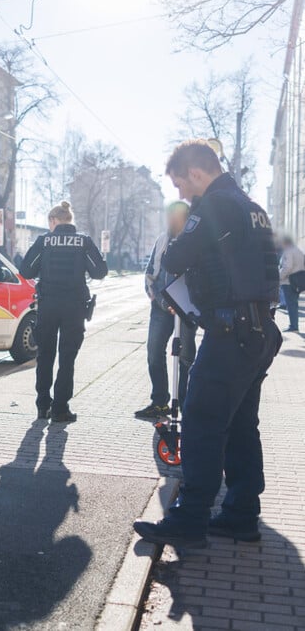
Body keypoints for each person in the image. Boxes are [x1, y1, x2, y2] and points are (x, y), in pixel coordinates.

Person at [134, 140, 281, 548]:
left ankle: (191, 518)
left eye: (181, 184)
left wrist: (189, 228)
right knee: (239, 426)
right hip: (259, 333)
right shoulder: (252, 208)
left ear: (196, 172)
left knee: (201, 421)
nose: (182, 194)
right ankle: (241, 513)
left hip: (230, 334)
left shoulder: (215, 206)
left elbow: (175, 259)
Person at [20, 200, 108, 423]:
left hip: (48, 306)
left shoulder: (44, 241)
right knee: (67, 359)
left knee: (45, 356)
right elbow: (99, 272)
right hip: (74, 308)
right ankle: (60, 408)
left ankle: (42, 406)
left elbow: (26, 270)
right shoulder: (84, 242)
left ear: (53, 220)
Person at [135, 201, 197, 419]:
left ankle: (185, 404)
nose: (173, 219)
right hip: (162, 308)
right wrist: (161, 301)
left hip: (188, 309)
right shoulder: (164, 239)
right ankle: (160, 401)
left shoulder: (196, 241)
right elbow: (150, 274)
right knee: (154, 353)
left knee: (186, 357)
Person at [278, 235, 304, 332]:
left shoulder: (288, 251)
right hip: (297, 281)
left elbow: (287, 267)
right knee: (294, 304)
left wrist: (279, 277)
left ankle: (293, 326)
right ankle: (294, 324)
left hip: (288, 281)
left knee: (291, 305)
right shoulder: (298, 250)